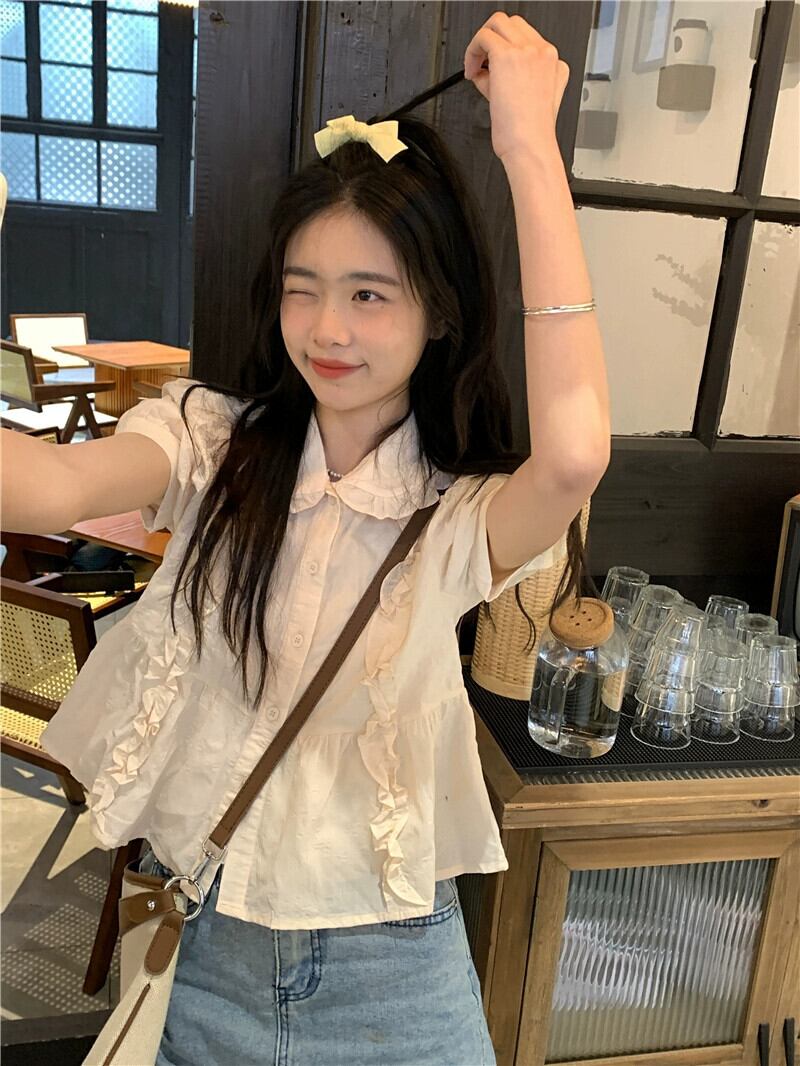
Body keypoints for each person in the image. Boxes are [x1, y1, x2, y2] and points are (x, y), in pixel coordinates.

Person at [1, 13, 610, 1065]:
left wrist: (527, 149)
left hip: (394, 972)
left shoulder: (457, 513)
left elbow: (572, 458)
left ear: (438, 311)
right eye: (304, 290)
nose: (328, 329)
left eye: (369, 295)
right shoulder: (211, 442)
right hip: (203, 943)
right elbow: (48, 486)